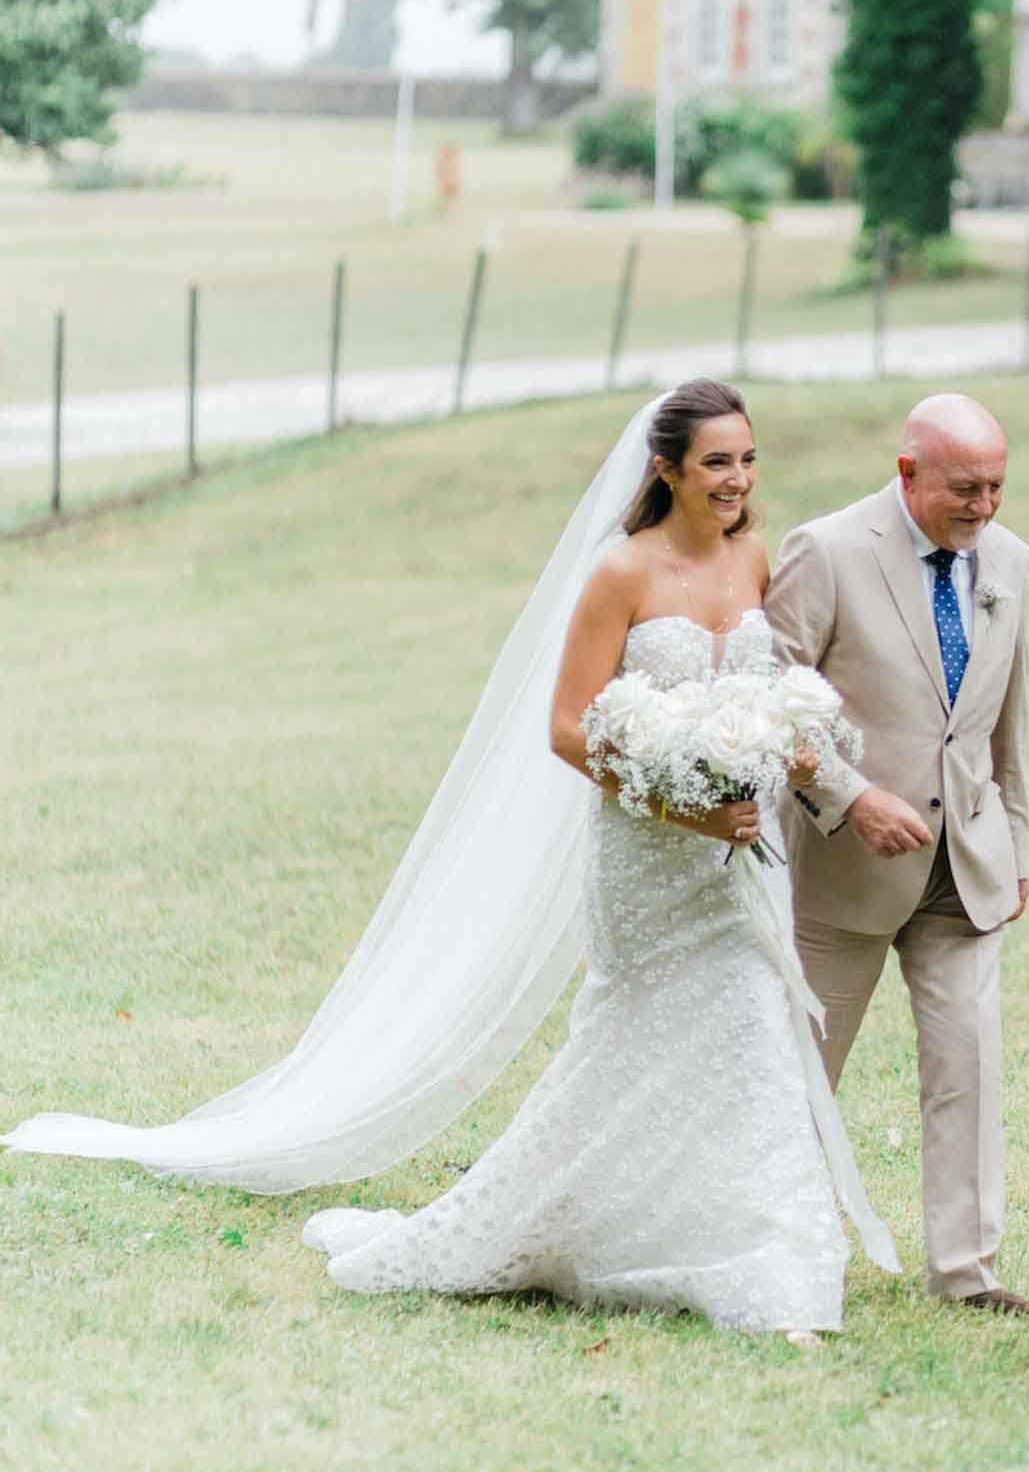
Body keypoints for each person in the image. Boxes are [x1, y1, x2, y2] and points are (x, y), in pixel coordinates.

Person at [5, 381, 896, 1334]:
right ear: (667, 469)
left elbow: (770, 700)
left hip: (742, 861)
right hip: (648, 858)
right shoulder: (620, 575)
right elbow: (568, 730)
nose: (739, 479)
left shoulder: (754, 555)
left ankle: (762, 1255)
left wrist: (795, 782)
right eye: (718, 461)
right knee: (627, 1041)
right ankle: (539, 1222)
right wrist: (686, 807)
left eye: (749, 459)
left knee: (751, 1036)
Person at [766, 392, 1029, 1321]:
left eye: (997, 488)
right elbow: (768, 700)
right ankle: (781, 1253)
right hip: (841, 861)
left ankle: (968, 1274)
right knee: (804, 1070)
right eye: (964, 488)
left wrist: (1011, 842)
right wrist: (848, 800)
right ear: (907, 473)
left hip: (962, 862)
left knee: (968, 1066)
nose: (983, 507)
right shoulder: (826, 550)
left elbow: (1005, 717)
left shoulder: (1009, 561)